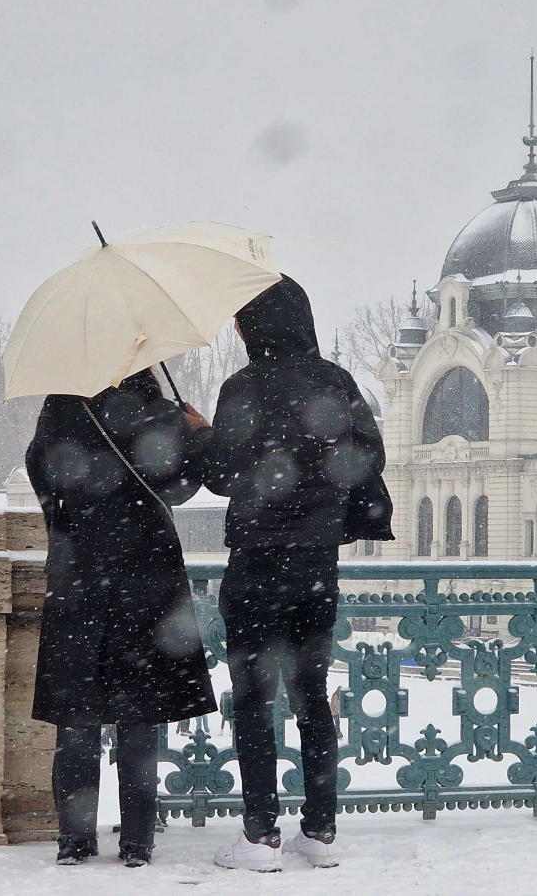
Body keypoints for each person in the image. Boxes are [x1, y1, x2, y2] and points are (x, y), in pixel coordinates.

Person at [201, 276, 393, 871]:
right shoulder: (334, 381)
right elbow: (370, 458)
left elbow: (221, 477)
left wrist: (201, 435)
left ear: (253, 326)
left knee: (254, 699)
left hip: (256, 564)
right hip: (316, 564)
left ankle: (261, 836)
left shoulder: (243, 387)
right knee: (311, 694)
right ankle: (321, 830)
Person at [27, 369, 218, 868]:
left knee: (77, 714)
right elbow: (178, 491)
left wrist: (62, 524)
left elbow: (38, 466)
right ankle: (137, 841)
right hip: (147, 569)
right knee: (139, 713)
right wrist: (195, 433)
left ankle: (74, 839)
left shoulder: (65, 399)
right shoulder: (156, 408)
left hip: (79, 571)